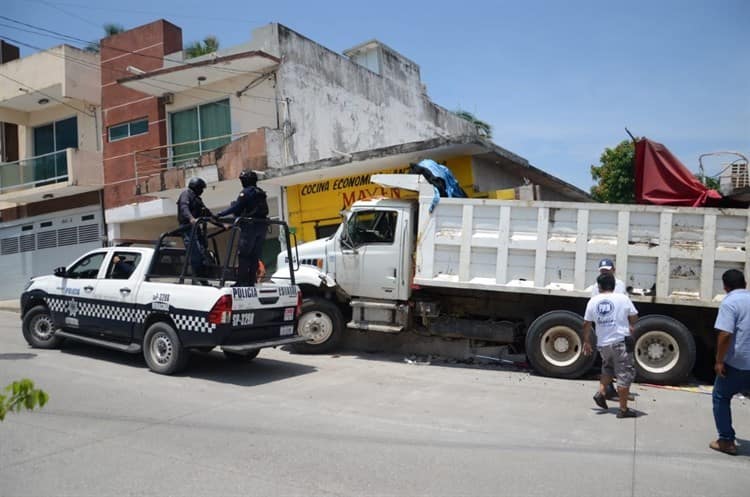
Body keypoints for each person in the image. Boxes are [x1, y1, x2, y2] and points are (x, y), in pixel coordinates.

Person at [583, 272, 639, 418]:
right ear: (614, 285)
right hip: (620, 342)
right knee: (624, 374)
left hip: (603, 345)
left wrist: (586, 341)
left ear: (599, 286)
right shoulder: (623, 298)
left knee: (608, 368)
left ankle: (601, 392)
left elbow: (586, 324)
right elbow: (634, 316)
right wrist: (631, 325)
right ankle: (623, 409)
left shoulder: (593, 301)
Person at [709, 269, 750, 456]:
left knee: (720, 396)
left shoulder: (730, 303)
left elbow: (725, 334)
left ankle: (726, 440)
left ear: (725, 287)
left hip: (738, 362)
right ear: (745, 283)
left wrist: (719, 361)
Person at [217, 170, 269, 287]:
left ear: (246, 181)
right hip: (262, 227)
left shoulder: (246, 192)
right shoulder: (260, 192)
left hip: (250, 227)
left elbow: (236, 207)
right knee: (254, 255)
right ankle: (251, 281)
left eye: (243, 180)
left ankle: (241, 282)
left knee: (244, 255)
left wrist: (220, 214)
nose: (242, 182)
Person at [591, 258, 629, 400]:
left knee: (614, 362)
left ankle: (609, 390)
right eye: (602, 271)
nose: (605, 273)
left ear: (613, 270)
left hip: (616, 326)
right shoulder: (596, 286)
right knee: (612, 361)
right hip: (605, 326)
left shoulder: (619, 285)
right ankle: (611, 390)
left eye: (607, 270)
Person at [177, 177, 214, 284]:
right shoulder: (186, 194)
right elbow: (184, 208)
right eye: (201, 188)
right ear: (196, 187)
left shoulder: (197, 199)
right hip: (188, 228)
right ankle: (198, 279)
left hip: (196, 228)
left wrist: (221, 223)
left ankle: (202, 279)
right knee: (195, 253)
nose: (202, 191)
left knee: (203, 252)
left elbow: (207, 213)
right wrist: (191, 218)